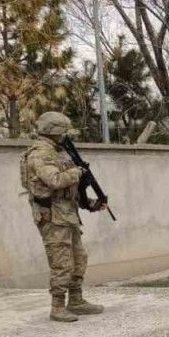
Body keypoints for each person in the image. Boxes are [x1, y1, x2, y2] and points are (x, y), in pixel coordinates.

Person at [19, 111, 107, 323]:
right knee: (61, 262)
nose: (66, 135)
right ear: (54, 131)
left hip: (68, 214)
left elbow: (69, 190)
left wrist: (89, 203)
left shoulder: (58, 152)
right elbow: (55, 181)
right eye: (64, 131)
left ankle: (76, 300)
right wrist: (78, 172)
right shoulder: (40, 154)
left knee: (79, 258)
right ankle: (57, 307)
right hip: (52, 216)